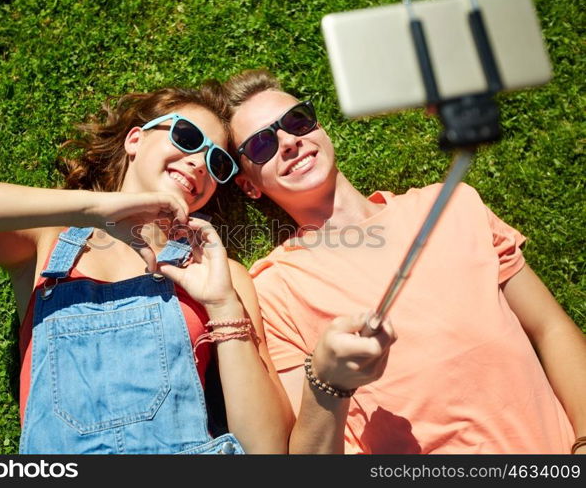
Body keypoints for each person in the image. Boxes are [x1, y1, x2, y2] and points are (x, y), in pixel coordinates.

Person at [0, 81, 294, 454]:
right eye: (186, 137)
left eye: (216, 161)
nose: (199, 162)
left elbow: (269, 449)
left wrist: (223, 306)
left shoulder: (218, 271)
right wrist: (94, 208)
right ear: (136, 139)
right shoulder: (46, 239)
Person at [223, 69, 586, 454]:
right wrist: (326, 384)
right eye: (262, 145)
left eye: (297, 121)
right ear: (249, 185)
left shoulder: (451, 204)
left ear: (320, 129)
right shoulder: (275, 288)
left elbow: (550, 328)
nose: (289, 142)